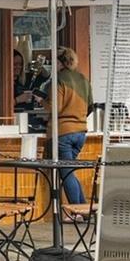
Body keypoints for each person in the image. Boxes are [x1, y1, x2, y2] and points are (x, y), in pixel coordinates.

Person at [51, 47, 92, 216]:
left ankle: (78, 212)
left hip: (63, 132)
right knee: (69, 172)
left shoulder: (60, 79)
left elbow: (57, 108)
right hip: (81, 132)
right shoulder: (83, 79)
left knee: (66, 174)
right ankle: (83, 208)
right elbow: (91, 105)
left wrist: (42, 102)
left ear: (60, 62)